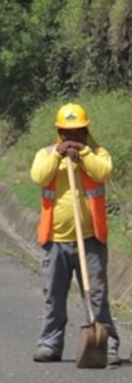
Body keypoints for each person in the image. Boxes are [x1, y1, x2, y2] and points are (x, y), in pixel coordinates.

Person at [29, 102, 118, 363]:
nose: (72, 139)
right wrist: (59, 154)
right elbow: (39, 176)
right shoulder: (46, 154)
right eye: (67, 134)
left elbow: (104, 171)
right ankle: (50, 344)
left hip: (90, 239)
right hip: (55, 240)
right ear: (58, 132)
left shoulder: (98, 154)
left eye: (78, 133)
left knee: (97, 294)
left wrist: (84, 154)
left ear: (86, 131)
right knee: (53, 295)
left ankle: (107, 344)